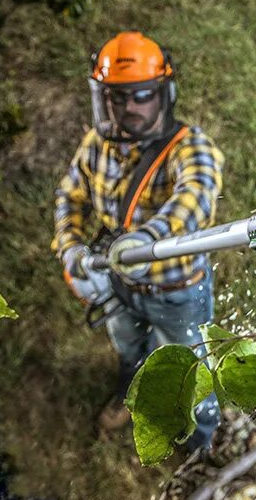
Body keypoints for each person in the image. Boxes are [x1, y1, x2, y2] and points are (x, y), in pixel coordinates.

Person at [51, 31, 225, 451]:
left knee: (190, 372)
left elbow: (195, 198)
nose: (129, 107)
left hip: (176, 291)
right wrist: (70, 246)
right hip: (119, 285)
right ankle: (130, 393)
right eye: (117, 96)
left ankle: (202, 446)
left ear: (163, 94)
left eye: (141, 95)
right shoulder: (97, 145)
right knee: (128, 347)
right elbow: (70, 196)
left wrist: (147, 239)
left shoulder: (191, 149)